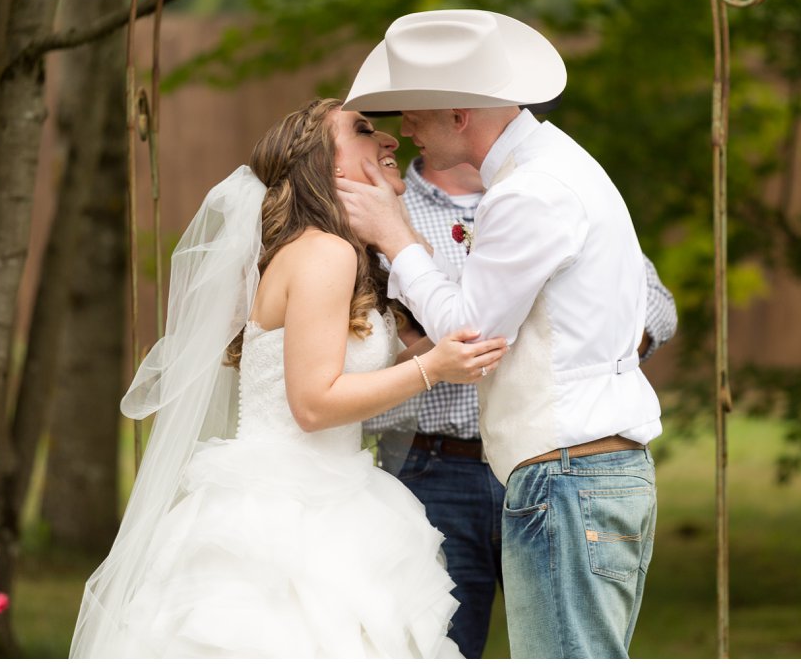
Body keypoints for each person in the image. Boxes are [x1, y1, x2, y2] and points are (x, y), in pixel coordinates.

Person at [70, 97, 509, 658]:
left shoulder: (338, 254)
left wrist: (402, 247)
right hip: (284, 516)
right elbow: (314, 404)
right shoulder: (324, 254)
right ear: (327, 167)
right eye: (363, 130)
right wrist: (433, 368)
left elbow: (411, 346)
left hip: (328, 492)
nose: (390, 139)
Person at [338, 9, 662, 658]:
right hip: (581, 471)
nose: (405, 131)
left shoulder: (531, 192)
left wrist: (396, 237)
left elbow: (469, 336)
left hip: (568, 476)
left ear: (460, 116)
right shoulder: (552, 168)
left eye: (415, 115)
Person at [367, 155, 678, 657]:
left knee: (567, 645)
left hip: (552, 457)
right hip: (434, 469)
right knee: (437, 646)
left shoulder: (547, 190)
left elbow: (657, 303)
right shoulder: (382, 211)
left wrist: (593, 351)